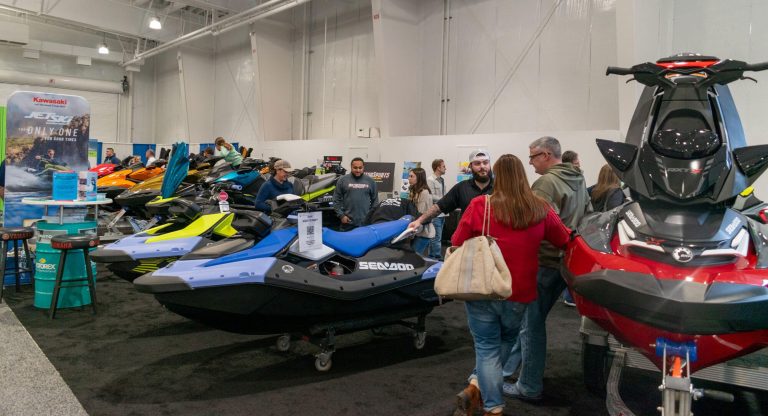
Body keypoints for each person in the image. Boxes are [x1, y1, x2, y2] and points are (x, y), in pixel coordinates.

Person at [452, 154, 571, 416]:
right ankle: (478, 389)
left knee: (486, 348)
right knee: (505, 343)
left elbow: (457, 240)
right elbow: (565, 239)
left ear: (498, 176)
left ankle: (491, 404)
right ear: (522, 176)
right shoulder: (540, 208)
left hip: (482, 288)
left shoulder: (480, 205)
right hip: (519, 292)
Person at [502, 136, 589, 401]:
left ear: (547, 154)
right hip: (567, 260)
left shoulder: (547, 183)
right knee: (530, 322)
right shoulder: (578, 178)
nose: (530, 162)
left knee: (530, 325)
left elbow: (535, 224)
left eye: (533, 157)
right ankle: (508, 369)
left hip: (545, 263)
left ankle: (528, 386)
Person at [408, 150, 492, 232]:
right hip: (468, 241)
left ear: (489, 164)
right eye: (477, 163)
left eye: (485, 162)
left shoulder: (501, 187)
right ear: (470, 166)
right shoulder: (462, 187)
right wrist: (419, 221)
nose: (482, 166)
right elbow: (438, 207)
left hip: (494, 241)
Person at [332, 157, 378, 228]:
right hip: (347, 222)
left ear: (363, 167)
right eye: (355, 168)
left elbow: (375, 201)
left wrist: (370, 216)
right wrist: (341, 215)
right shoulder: (342, 180)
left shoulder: (371, 181)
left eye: (360, 168)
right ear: (351, 167)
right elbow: (335, 200)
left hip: (365, 223)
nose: (358, 170)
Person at [408, 167, 434, 255]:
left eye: (412, 176)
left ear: (419, 178)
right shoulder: (414, 191)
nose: (409, 178)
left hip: (423, 232)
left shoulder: (424, 192)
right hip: (416, 231)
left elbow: (420, 214)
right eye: (409, 176)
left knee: (414, 258)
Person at [426, 159, 447, 260]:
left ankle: (432, 257)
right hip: (435, 214)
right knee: (436, 238)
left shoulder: (442, 180)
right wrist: (445, 199)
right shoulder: (430, 180)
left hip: (442, 213)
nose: (445, 168)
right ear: (438, 167)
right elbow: (431, 196)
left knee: (437, 238)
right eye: (443, 166)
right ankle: (437, 258)